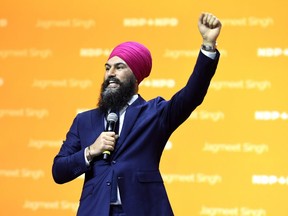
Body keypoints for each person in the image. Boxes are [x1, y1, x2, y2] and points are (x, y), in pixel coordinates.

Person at [52, 12, 222, 216]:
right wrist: (90, 151)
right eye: (107, 68)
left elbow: (192, 95)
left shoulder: (155, 113)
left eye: (119, 67)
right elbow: (59, 171)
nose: (110, 74)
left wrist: (208, 46)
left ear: (136, 75)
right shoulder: (84, 120)